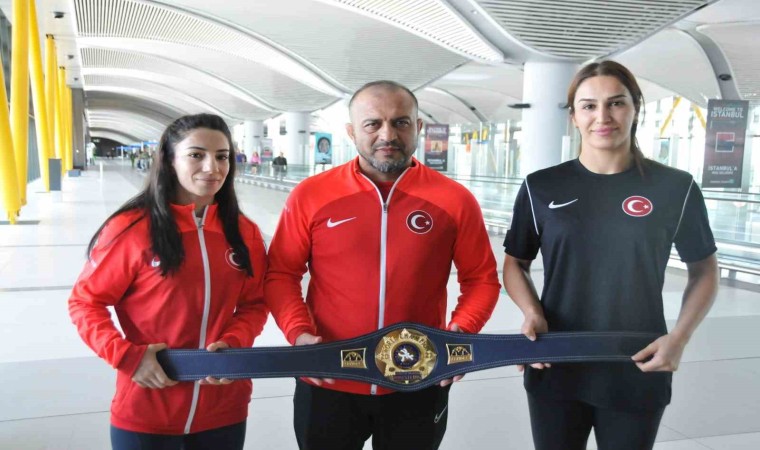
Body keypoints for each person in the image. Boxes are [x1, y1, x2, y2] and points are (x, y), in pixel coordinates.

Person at [265, 80, 500, 450]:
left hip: (417, 376)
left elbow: (482, 280)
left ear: (418, 127)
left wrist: (459, 334)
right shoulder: (311, 195)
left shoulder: (454, 200)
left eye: (401, 122)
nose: (388, 135)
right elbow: (281, 274)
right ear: (351, 131)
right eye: (373, 124)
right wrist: (298, 333)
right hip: (328, 374)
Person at [502, 61, 719, 450]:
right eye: (588, 106)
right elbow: (515, 262)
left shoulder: (675, 188)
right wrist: (532, 312)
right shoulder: (541, 186)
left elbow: (704, 269)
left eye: (616, 103)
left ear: (636, 108)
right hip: (556, 359)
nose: (602, 116)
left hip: (638, 363)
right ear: (574, 116)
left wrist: (679, 338)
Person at [68, 113, 269, 450]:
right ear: (169, 159)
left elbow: (255, 304)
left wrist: (234, 342)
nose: (212, 167)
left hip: (224, 407)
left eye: (222, 156)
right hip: (148, 406)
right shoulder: (133, 228)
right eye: (196, 155)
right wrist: (127, 357)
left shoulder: (243, 232)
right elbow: (85, 302)